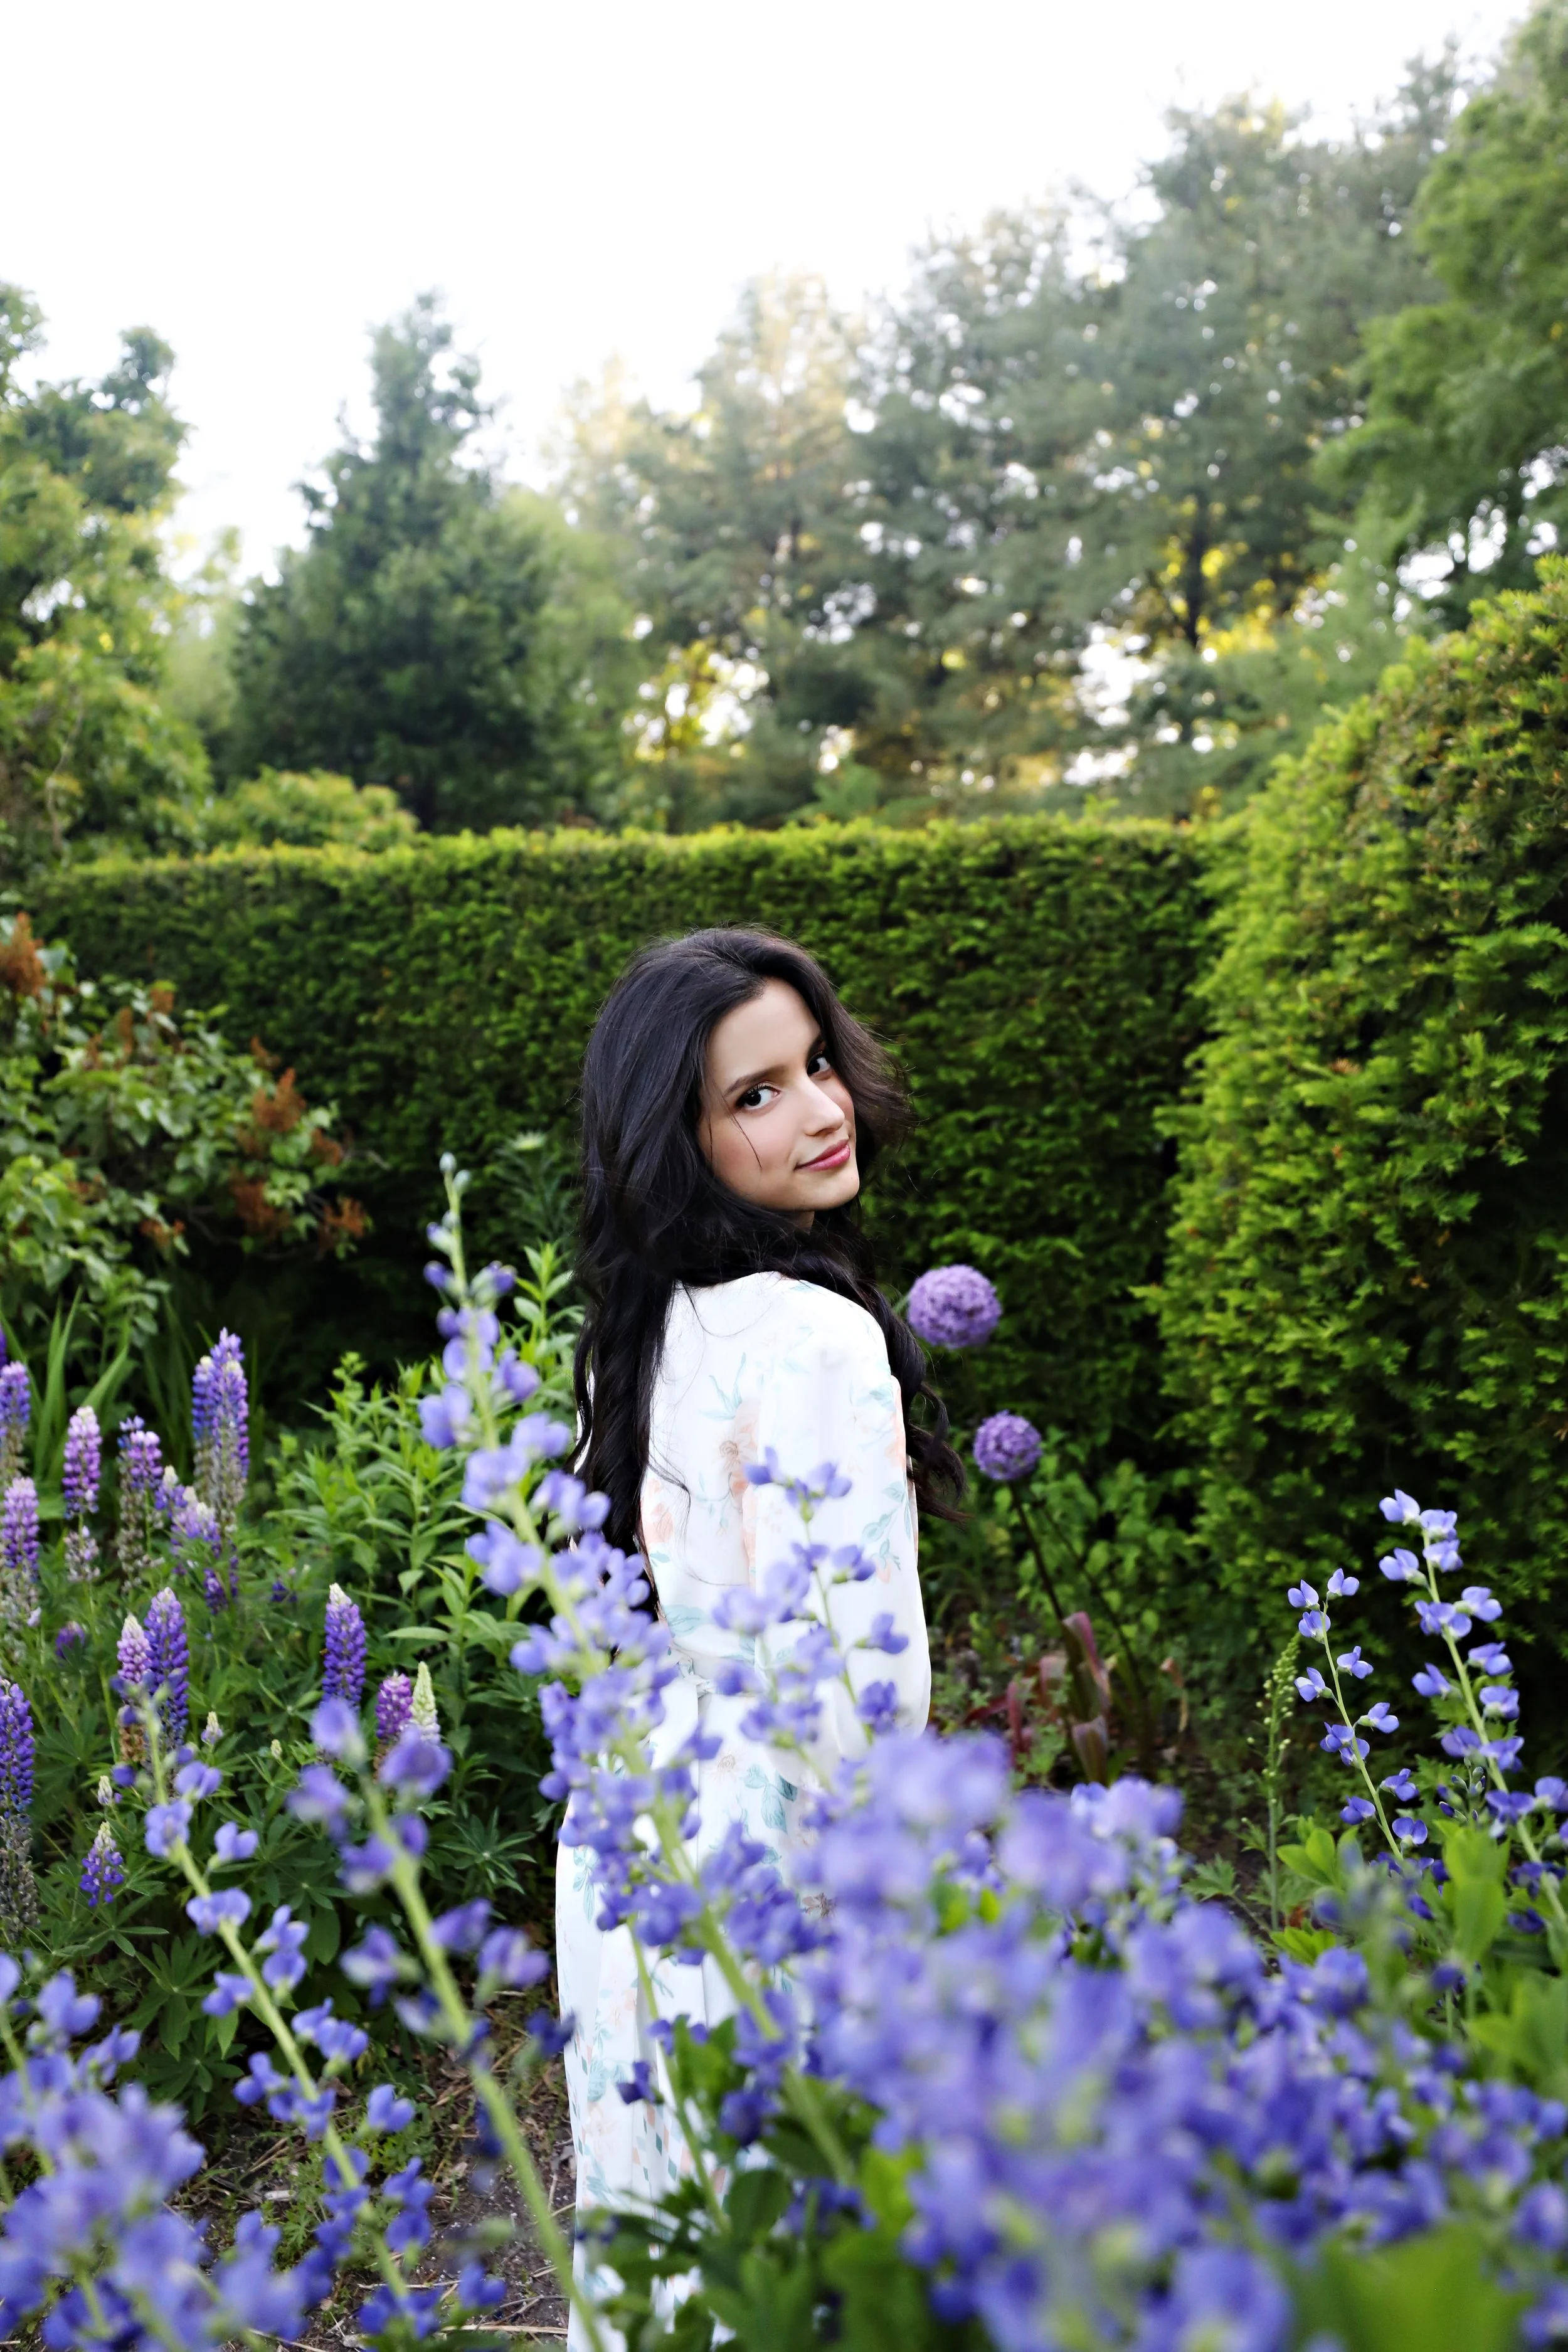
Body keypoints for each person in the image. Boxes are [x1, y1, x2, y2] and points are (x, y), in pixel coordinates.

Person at [559, 928, 962, 2333]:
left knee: (666, 2220)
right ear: (679, 1139)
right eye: (753, 1094)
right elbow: (868, 1680)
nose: (818, 1107)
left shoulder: (639, 1327)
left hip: (638, 1815)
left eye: (812, 1065)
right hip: (780, 1828)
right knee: (816, 2233)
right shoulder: (821, 1336)